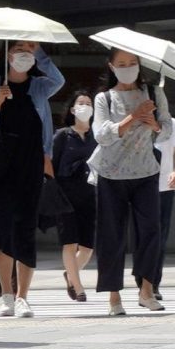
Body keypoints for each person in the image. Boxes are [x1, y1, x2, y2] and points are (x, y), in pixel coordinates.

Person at [0, 39, 64, 319]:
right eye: (18, 51)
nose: (24, 56)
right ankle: (6, 294)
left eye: (28, 52)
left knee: (25, 229)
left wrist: (40, 52)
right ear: (6, 55)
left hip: (30, 163)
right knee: (1, 228)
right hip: (0, 166)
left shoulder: (39, 86)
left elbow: (58, 80)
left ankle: (24, 297)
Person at [91, 47, 170, 316]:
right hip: (111, 173)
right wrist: (133, 116)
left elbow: (167, 127)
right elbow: (101, 134)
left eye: (132, 62)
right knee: (112, 235)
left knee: (151, 231)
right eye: (121, 63)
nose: (128, 67)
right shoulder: (104, 98)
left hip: (146, 171)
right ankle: (114, 297)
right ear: (111, 67)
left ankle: (146, 290)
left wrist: (154, 125)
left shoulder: (154, 93)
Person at [53, 94, 97, 301]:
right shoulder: (62, 135)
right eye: (81, 103)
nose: (85, 106)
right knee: (69, 242)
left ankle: (70, 274)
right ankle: (78, 287)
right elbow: (51, 165)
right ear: (72, 109)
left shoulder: (97, 135)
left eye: (89, 104)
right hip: (66, 194)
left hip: (90, 194)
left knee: (88, 247)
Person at [155, 103, 175, 269]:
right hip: (141, 185)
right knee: (144, 234)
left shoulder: (172, 124)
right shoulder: (138, 122)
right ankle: (142, 279)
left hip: (165, 186)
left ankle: (154, 282)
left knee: (161, 234)